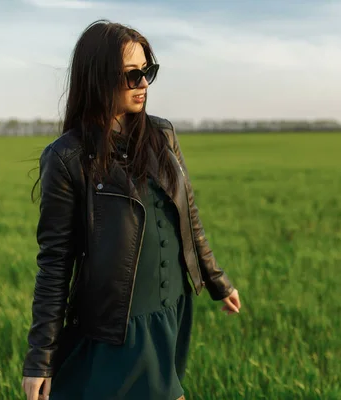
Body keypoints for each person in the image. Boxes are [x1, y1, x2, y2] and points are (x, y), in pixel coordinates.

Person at [21, 19, 242, 400]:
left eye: (148, 72)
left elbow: (187, 216)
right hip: (118, 323)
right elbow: (55, 262)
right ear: (98, 78)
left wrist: (217, 280)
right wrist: (41, 356)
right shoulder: (67, 158)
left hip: (173, 306)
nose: (143, 84)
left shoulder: (163, 135)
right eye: (131, 75)